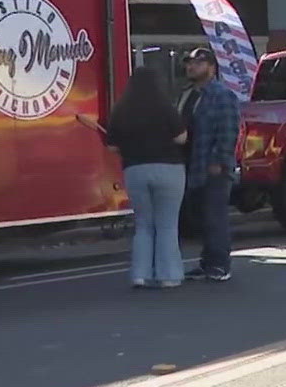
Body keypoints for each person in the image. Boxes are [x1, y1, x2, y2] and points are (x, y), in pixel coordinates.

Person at [92, 67, 189, 288]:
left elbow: (113, 146)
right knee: (167, 225)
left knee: (143, 224)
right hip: (168, 169)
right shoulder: (164, 106)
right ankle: (169, 276)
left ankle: (140, 274)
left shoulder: (121, 109)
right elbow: (182, 137)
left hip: (135, 170)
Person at [180, 47, 240, 282]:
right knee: (201, 217)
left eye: (197, 63)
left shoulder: (221, 95)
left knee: (215, 216)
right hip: (192, 163)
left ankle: (220, 265)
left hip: (213, 166)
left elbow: (228, 130)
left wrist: (218, 159)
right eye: (189, 63)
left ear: (211, 67)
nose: (191, 67)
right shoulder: (189, 94)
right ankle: (207, 263)